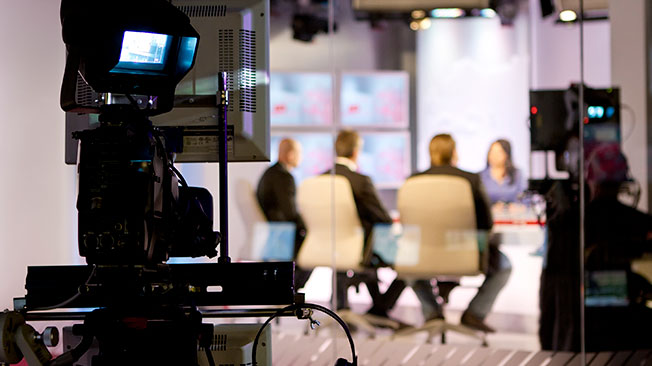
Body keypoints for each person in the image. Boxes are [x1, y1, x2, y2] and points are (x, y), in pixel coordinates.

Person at [372, 134, 511, 333]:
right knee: (504, 266)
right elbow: (486, 223)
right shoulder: (470, 180)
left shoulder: (413, 181)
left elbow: (407, 224)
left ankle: (431, 312)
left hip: (422, 254)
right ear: (454, 153)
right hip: (463, 253)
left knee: (408, 258)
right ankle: (474, 313)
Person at [326, 129, 393, 310]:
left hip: (326, 247)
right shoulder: (360, 180)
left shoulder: (320, 179)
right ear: (356, 152)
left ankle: (377, 309)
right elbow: (383, 219)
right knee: (398, 250)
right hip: (357, 248)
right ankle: (381, 309)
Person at [256, 138, 311, 289]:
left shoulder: (270, 173)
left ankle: (288, 289)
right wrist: (308, 226)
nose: (301, 158)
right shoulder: (284, 177)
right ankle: (291, 289)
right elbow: (290, 213)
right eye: (300, 153)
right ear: (291, 154)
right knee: (314, 244)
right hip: (283, 235)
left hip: (274, 234)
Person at [480, 139, 527, 205]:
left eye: (498, 152)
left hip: (513, 214)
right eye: (491, 152)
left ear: (507, 154)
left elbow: (524, 197)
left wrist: (518, 206)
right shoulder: (481, 176)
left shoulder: (517, 174)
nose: (494, 155)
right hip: (490, 214)